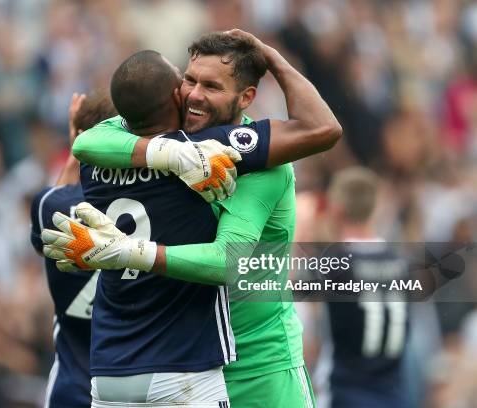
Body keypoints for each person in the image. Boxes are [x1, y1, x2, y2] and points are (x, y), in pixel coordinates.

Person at [44, 29, 341, 406]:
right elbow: (88, 142)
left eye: (212, 86)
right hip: (191, 367)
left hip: (259, 368)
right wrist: (167, 153)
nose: (195, 94)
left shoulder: (259, 162)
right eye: (189, 80)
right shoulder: (174, 139)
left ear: (246, 96)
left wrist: (273, 59)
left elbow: (226, 262)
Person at [29, 91, 117, 407]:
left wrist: (77, 143)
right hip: (137, 389)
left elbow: (60, 196)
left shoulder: (48, 204)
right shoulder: (157, 203)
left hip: (71, 388)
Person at [313, 167, 410, 408]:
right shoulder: (400, 261)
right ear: (375, 207)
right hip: (392, 393)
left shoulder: (333, 263)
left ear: (335, 209)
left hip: (345, 390)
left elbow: (312, 334)